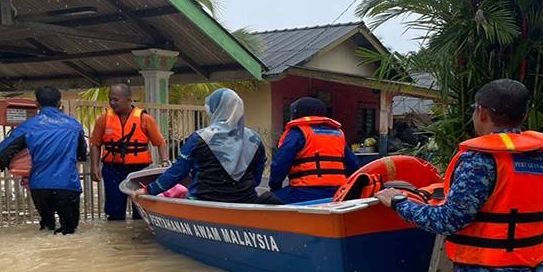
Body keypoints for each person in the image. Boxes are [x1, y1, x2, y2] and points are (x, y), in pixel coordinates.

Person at [375, 79, 543, 272]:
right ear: (523, 115)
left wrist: (399, 202)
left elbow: (448, 220)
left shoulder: (480, 159)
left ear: (483, 113)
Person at [138, 88, 266, 202]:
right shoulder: (255, 139)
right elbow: (257, 178)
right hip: (246, 200)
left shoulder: (199, 138)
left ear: (214, 110)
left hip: (202, 200)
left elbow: (177, 172)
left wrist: (149, 190)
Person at [0, 86, 88, 235]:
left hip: (40, 186)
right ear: (59, 103)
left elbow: (4, 150)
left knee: (46, 228)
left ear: (37, 104)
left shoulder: (28, 126)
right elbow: (82, 152)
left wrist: (8, 165)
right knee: (70, 231)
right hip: (67, 185)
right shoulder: (74, 125)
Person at [89, 84, 170, 220]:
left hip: (139, 169)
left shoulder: (145, 119)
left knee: (141, 208)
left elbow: (160, 142)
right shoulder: (103, 120)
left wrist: (165, 161)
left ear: (128, 99)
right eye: (110, 99)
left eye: (116, 99)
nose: (112, 103)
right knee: (114, 209)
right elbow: (95, 144)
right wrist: (94, 166)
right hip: (112, 168)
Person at [269, 97, 360, 203]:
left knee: (264, 201)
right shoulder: (338, 134)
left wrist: (274, 186)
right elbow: (354, 166)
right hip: (337, 192)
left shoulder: (297, 132)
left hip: (304, 192)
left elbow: (280, 164)